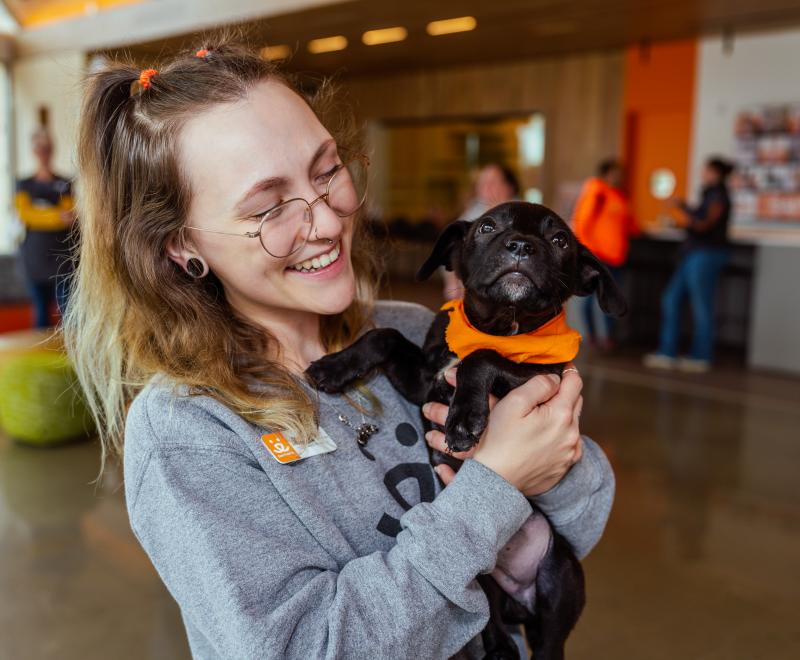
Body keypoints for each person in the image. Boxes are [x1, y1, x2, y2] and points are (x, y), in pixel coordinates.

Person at [64, 42, 614, 659]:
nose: (326, 221)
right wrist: (495, 486)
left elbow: (580, 527)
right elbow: (307, 647)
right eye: (270, 206)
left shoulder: (412, 332)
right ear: (179, 246)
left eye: (327, 171)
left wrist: (555, 459)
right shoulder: (189, 431)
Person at [644, 157, 734, 373]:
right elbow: (699, 223)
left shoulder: (718, 195)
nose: (703, 173)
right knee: (671, 299)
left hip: (706, 255)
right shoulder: (710, 194)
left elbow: (704, 225)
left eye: (706, 170)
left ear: (716, 172)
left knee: (701, 305)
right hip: (694, 254)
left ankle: (701, 356)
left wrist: (682, 208)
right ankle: (667, 352)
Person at [572, 159, 638, 350]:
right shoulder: (597, 191)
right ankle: (592, 337)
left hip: (616, 258)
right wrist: (589, 252)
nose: (620, 177)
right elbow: (582, 223)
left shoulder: (620, 196)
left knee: (610, 300)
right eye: (616, 173)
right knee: (589, 300)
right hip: (598, 256)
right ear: (606, 173)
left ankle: (607, 338)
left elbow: (630, 225)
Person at [14, 129, 75, 327]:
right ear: (33, 151)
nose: (43, 153)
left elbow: (69, 215)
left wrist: (43, 216)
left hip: (62, 258)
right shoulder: (23, 185)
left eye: (47, 148)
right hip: (34, 259)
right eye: (39, 148)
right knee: (40, 314)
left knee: (68, 313)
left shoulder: (64, 183)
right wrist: (56, 216)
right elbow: (25, 214)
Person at [443, 163, 520, 298]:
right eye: (482, 183)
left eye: (492, 182)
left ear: (509, 187)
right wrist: (452, 279)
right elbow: (453, 242)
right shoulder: (476, 208)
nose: (485, 187)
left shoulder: (520, 211)